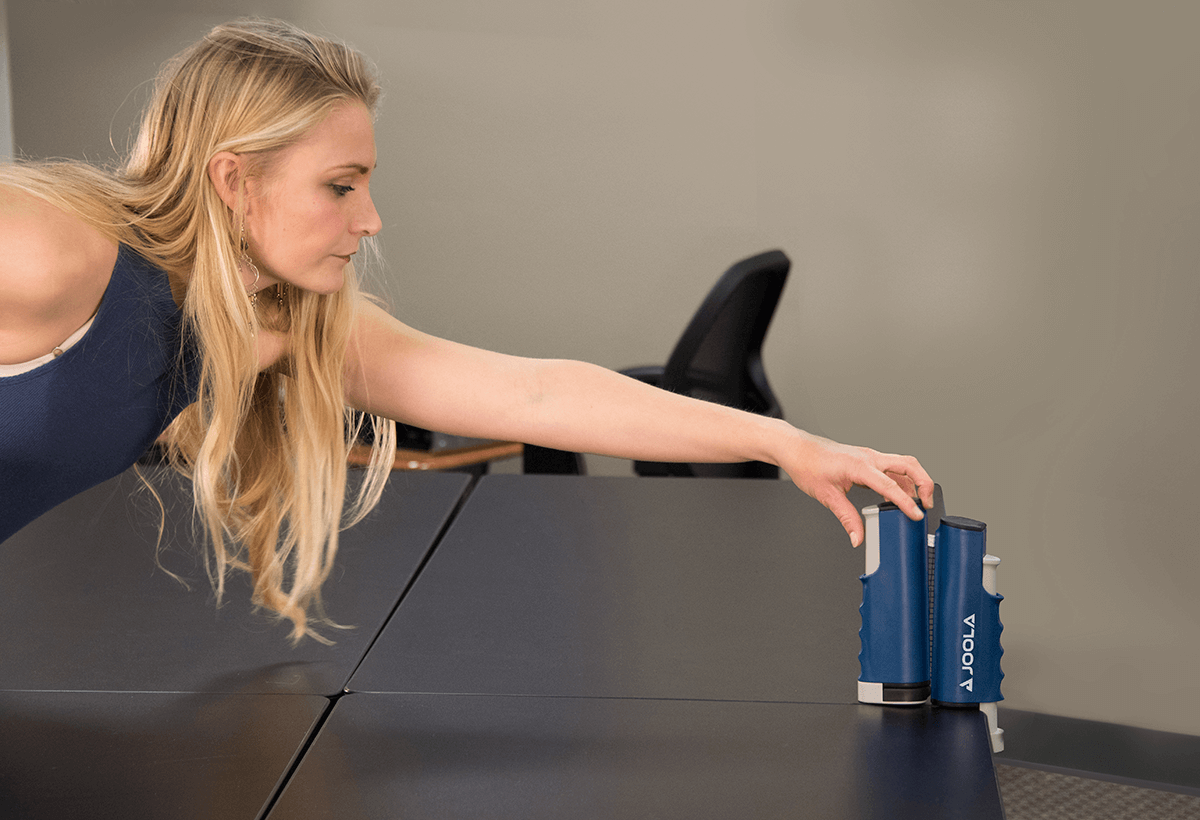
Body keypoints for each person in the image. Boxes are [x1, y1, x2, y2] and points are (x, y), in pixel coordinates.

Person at [0, 18, 933, 642]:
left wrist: (787, 443)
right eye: (340, 185)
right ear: (235, 180)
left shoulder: (277, 326)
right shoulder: (56, 253)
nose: (370, 220)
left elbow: (532, 393)